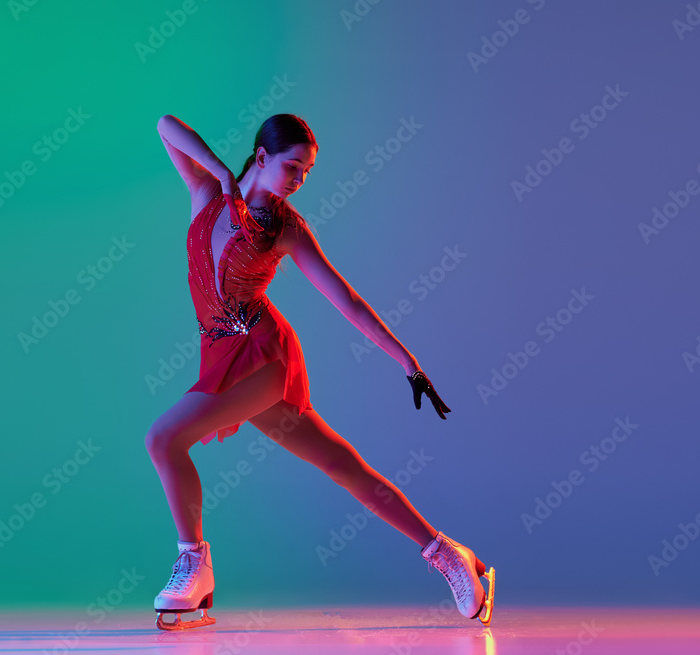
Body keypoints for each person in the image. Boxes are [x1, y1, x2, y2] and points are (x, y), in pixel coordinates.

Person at [146, 113, 494, 630]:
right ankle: (447, 553)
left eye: (306, 172)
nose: (299, 180)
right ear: (261, 158)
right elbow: (164, 125)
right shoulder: (205, 193)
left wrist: (408, 361)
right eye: (293, 166)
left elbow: (347, 301)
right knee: (339, 464)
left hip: (263, 356)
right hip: (220, 352)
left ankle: (194, 563)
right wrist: (221, 173)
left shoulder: (285, 228)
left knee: (164, 438)